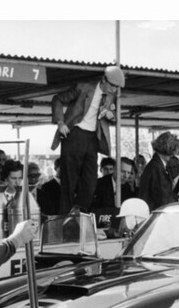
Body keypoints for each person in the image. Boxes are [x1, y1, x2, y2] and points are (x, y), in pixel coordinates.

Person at [50, 65, 125, 215]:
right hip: (74, 134)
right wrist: (60, 122)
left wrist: (111, 117)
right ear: (103, 80)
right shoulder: (83, 88)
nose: (114, 90)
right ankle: (65, 219)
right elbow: (57, 99)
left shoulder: (112, 95)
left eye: (117, 88)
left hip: (92, 138)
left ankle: (78, 212)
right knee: (69, 182)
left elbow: (113, 116)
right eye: (112, 86)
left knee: (91, 182)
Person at [138, 131, 179, 212]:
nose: (173, 155)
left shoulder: (156, 165)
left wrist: (177, 197)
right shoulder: (156, 168)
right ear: (167, 149)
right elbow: (163, 198)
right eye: (172, 151)